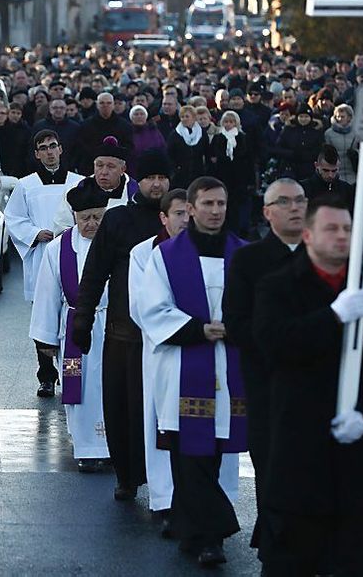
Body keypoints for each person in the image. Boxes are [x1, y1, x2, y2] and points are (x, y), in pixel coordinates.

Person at [253, 194, 363, 576]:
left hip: (360, 466)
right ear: (308, 235)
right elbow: (274, 347)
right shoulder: (278, 289)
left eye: (348, 229)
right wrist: (333, 316)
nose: (341, 236)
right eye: (331, 228)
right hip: (299, 462)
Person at [139, 176, 246, 567]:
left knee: (211, 451)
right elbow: (151, 309)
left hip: (229, 365)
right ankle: (212, 535)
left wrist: (238, 326)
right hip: (185, 361)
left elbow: (258, 303)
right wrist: (199, 329)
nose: (215, 211)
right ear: (193, 208)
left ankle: (189, 527)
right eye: (208, 204)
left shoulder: (244, 254)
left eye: (221, 204)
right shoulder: (166, 256)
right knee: (189, 451)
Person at [70, 150, 172, 500]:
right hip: (123, 333)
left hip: (167, 339)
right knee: (122, 409)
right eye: (150, 178)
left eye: (162, 177)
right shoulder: (117, 220)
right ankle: (127, 476)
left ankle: (167, 487)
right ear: (138, 181)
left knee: (162, 414)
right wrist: (81, 320)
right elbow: (95, 272)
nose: (156, 184)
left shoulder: (176, 219)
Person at [222, 177, 306, 553]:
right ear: (267, 212)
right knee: (271, 461)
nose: (295, 208)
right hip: (267, 379)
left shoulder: (322, 255)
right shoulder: (249, 259)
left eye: (301, 200)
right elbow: (236, 321)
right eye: (285, 202)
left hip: (315, 384)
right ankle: (273, 534)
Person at [29, 186, 111, 471]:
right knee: (81, 388)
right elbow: (47, 294)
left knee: (112, 387)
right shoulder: (58, 248)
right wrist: (46, 338)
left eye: (98, 217)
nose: (92, 224)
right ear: (74, 216)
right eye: (86, 218)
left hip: (112, 324)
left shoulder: (117, 245)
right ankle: (86, 446)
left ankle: (115, 448)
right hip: (77, 327)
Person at [128, 188, 189, 535]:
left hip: (206, 350)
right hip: (163, 349)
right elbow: (141, 306)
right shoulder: (144, 253)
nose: (185, 219)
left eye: (188, 213)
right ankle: (164, 497)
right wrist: (188, 328)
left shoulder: (208, 250)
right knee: (162, 425)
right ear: (163, 218)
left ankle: (200, 499)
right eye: (177, 213)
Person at [4, 130, 82, 396]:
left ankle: (73, 371)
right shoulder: (26, 186)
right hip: (42, 253)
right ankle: (46, 375)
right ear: (37, 154)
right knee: (44, 317)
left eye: (53, 146)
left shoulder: (79, 183)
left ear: (61, 149)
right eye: (43, 148)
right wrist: (35, 233)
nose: (49, 152)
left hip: (73, 254)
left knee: (72, 314)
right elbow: (13, 218)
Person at [51, 137, 136, 232]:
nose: (104, 172)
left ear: (123, 169)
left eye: (111, 166)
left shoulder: (136, 193)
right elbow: (61, 227)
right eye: (99, 165)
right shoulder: (76, 190)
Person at [205, 110, 255, 237]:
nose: (228, 124)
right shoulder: (218, 137)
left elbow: (249, 159)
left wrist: (250, 180)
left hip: (239, 177)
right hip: (222, 176)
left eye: (231, 122)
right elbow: (212, 156)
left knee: (238, 207)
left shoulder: (242, 137)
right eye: (226, 121)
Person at [75, 93, 133, 176]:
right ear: (97, 105)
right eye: (102, 103)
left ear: (113, 105)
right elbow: (82, 147)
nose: (105, 106)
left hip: (116, 171)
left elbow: (128, 147)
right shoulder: (86, 125)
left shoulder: (125, 126)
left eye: (109, 103)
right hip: (90, 169)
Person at [166, 105, 207, 189]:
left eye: (187, 116)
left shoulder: (201, 133)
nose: (184, 119)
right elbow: (169, 154)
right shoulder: (175, 134)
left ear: (194, 117)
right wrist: (175, 170)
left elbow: (207, 151)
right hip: (180, 175)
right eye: (182, 117)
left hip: (198, 173)